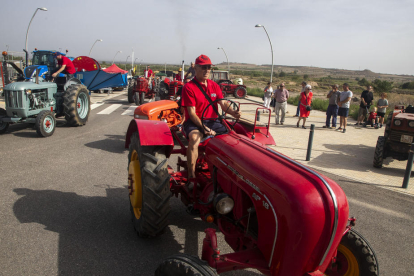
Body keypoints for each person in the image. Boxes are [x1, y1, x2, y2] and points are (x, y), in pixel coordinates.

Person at [181, 54, 241, 187]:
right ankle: (192, 176)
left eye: (208, 67)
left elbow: (224, 104)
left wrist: (233, 113)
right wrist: (204, 128)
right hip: (194, 122)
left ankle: (228, 174)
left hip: (213, 121)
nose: (207, 70)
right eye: (203, 67)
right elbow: (191, 113)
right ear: (195, 68)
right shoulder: (189, 87)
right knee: (194, 139)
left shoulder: (215, 86)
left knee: (232, 139)